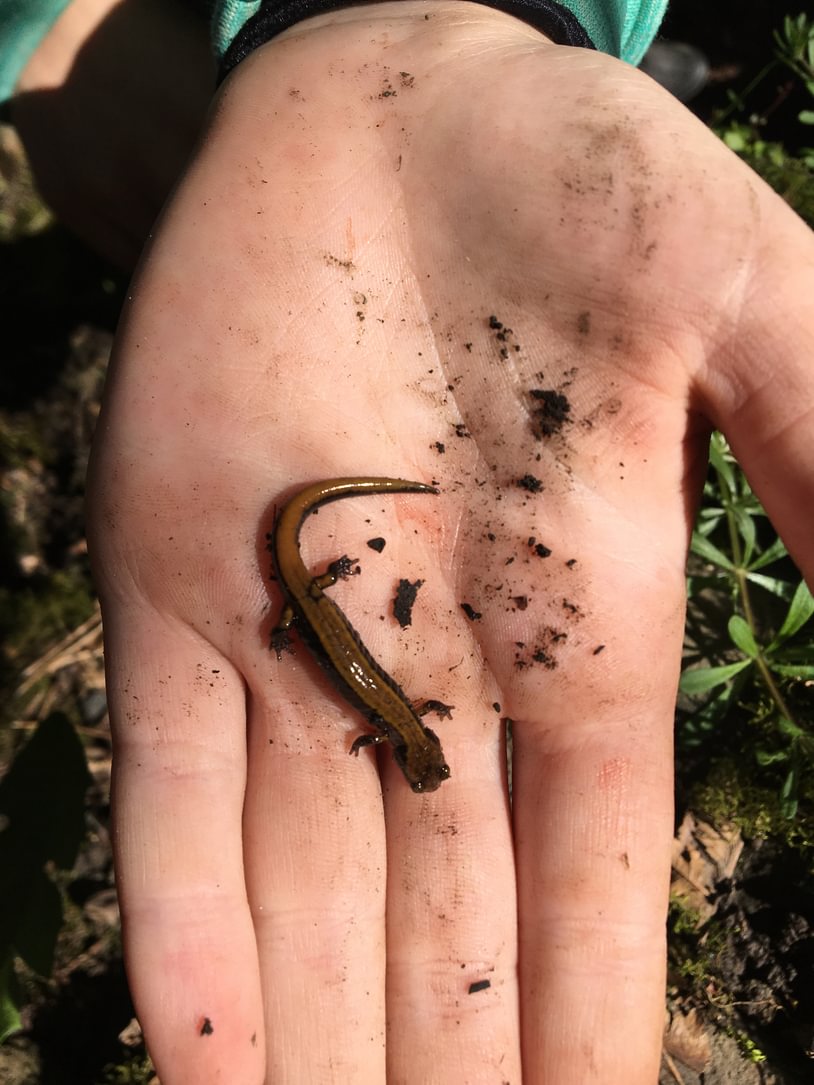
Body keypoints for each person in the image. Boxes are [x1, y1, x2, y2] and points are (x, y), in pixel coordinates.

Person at [7, 1, 814, 1081]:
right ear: (417, 746)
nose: (422, 764)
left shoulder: (402, 725)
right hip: (303, 596)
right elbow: (370, 700)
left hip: (310, 596)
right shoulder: (392, 727)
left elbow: (374, 695)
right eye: (425, 763)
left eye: (420, 765)